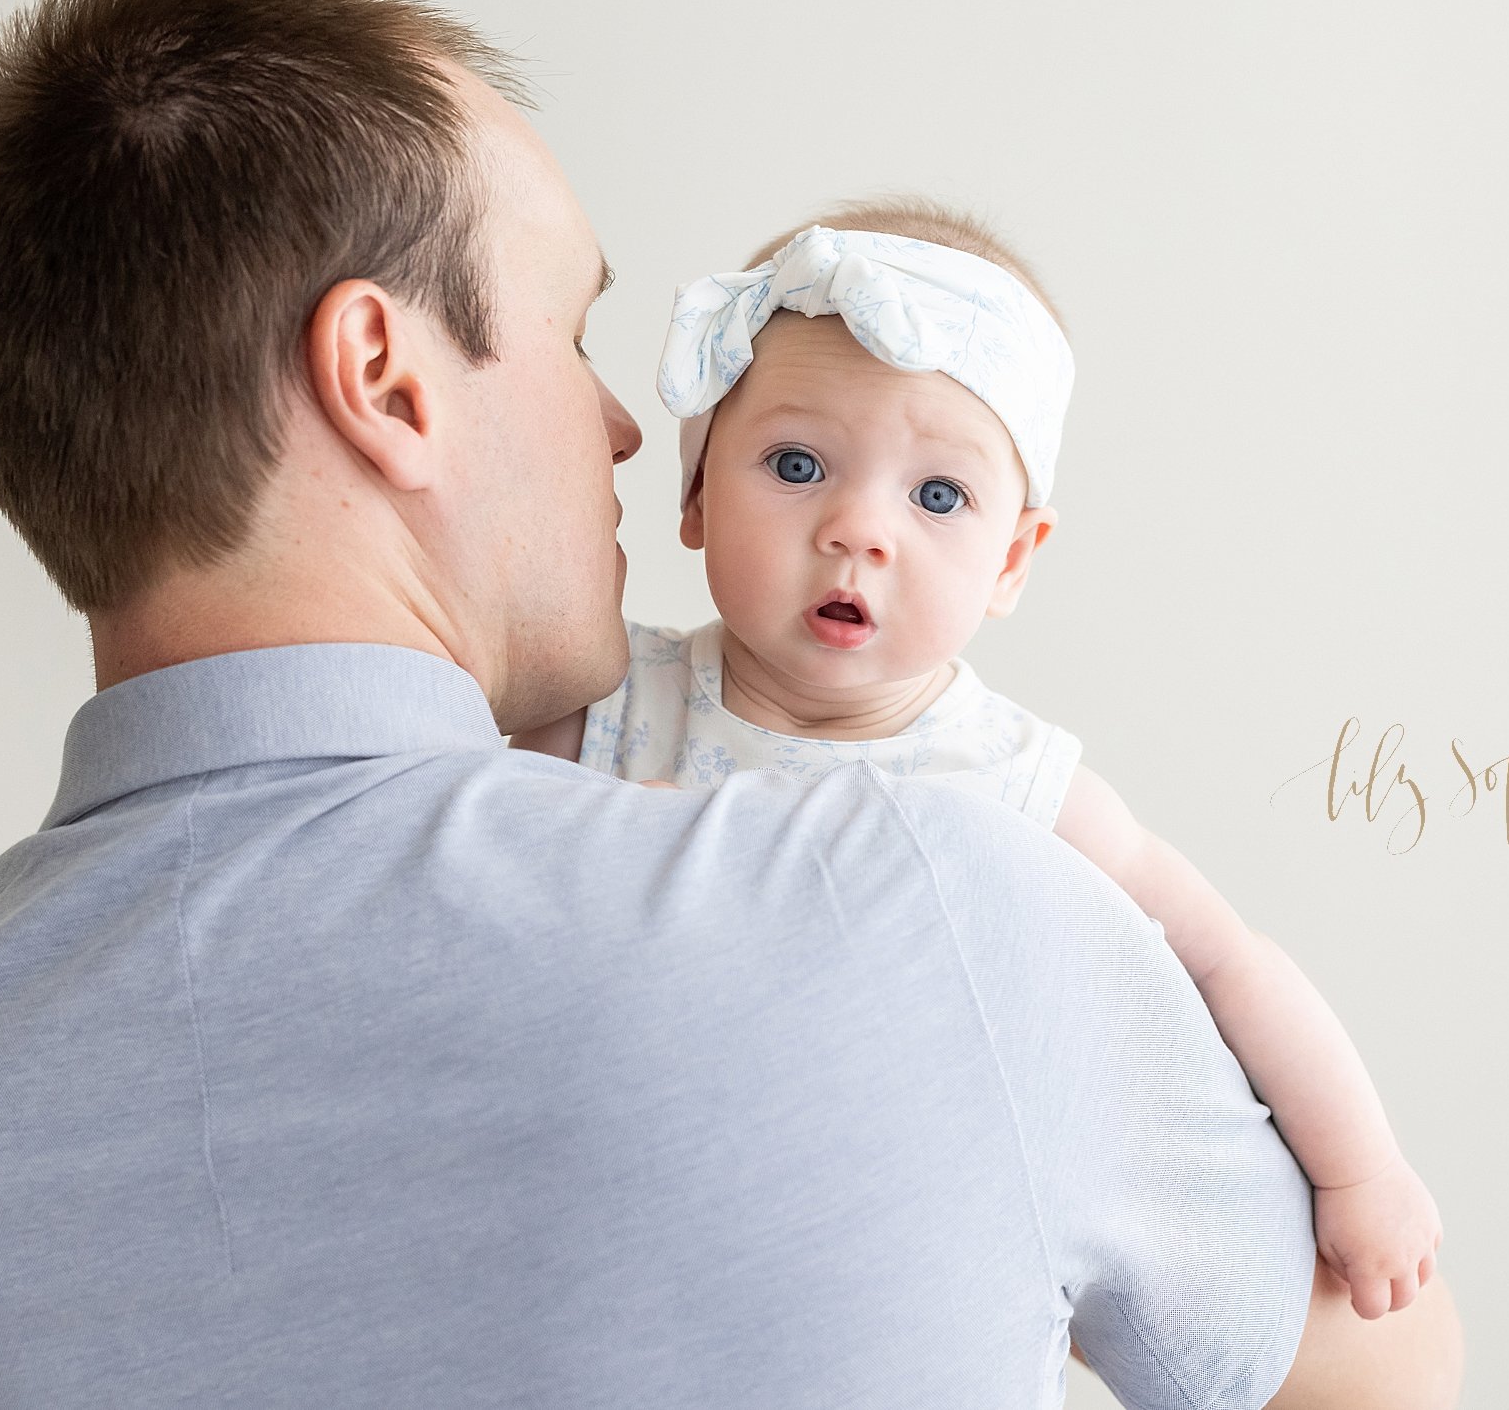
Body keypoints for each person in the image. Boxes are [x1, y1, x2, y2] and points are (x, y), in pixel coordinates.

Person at [0, 0, 1464, 1409]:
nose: (623, 423)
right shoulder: (925, 905)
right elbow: (1383, 1370)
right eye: (570, 328)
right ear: (383, 376)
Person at [520, 206, 1442, 1322]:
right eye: (797, 463)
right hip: (619, 1231)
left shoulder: (1015, 786)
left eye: (937, 495)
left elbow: (1228, 964)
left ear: (1011, 558)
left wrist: (1360, 1169)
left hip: (904, 1260)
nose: (859, 528)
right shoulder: (610, 708)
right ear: (698, 495)